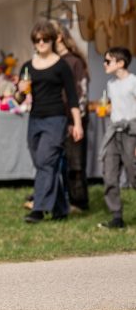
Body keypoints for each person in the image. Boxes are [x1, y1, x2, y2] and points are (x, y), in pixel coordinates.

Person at [16, 20, 83, 224]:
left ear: (53, 40)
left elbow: (72, 97)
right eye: (38, 40)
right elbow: (19, 99)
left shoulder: (62, 65)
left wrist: (77, 123)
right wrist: (19, 90)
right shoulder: (27, 67)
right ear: (34, 42)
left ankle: (39, 208)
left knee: (46, 161)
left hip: (56, 118)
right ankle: (61, 208)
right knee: (44, 163)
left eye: (45, 39)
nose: (41, 43)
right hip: (35, 119)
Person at [53, 21, 90, 212]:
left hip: (74, 118)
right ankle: (55, 196)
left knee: (75, 162)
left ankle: (78, 201)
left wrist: (75, 121)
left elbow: (80, 93)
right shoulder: (52, 60)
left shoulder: (74, 62)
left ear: (58, 37)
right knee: (54, 161)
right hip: (56, 118)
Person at [97, 47, 136, 229]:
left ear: (120, 63)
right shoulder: (111, 84)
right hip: (114, 132)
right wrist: (108, 110)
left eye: (108, 61)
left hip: (131, 132)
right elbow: (117, 106)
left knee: (133, 174)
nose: (104, 64)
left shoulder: (133, 82)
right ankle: (117, 217)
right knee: (110, 174)